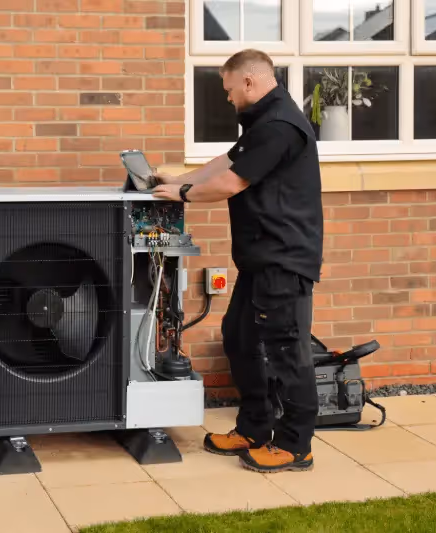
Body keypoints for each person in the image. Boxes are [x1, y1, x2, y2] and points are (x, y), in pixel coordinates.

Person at [152, 49, 323, 474]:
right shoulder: (264, 121)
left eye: (229, 90)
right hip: (260, 258)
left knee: (286, 351)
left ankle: (295, 446)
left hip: (283, 260)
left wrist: (184, 195)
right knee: (240, 337)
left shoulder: (280, 126)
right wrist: (181, 179)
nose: (228, 98)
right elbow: (227, 160)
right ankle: (253, 429)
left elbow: (231, 182)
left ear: (249, 82)